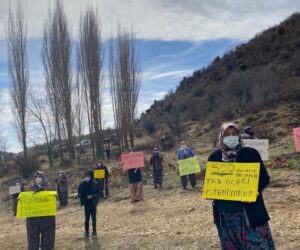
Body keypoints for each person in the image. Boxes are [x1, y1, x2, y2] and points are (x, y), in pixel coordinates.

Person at [204, 122, 275, 250]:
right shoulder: (214, 157)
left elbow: (264, 178)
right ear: (221, 136)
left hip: (250, 214)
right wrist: (209, 191)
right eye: (227, 134)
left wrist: (256, 190)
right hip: (225, 216)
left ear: (238, 135)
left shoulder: (251, 153)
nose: (231, 137)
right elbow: (210, 182)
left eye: (234, 133)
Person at [27, 171, 56, 250]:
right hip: (33, 217)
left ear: (43, 177)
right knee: (32, 239)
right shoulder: (30, 187)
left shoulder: (49, 186)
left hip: (47, 217)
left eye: (39, 176)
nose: (38, 178)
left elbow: (53, 197)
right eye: (36, 177)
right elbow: (26, 200)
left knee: (48, 237)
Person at [78, 170, 100, 239]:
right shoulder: (82, 184)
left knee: (93, 218)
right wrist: (84, 198)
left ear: (91, 176)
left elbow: (98, 193)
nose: (87, 178)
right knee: (86, 219)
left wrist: (92, 196)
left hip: (93, 203)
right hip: (86, 204)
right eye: (86, 176)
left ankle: (94, 231)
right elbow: (79, 193)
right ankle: (86, 232)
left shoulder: (95, 183)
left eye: (88, 176)